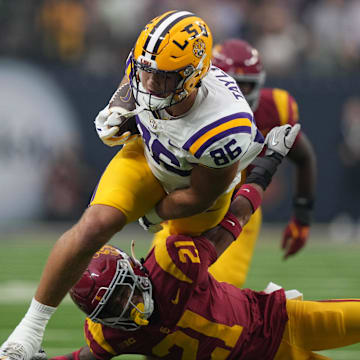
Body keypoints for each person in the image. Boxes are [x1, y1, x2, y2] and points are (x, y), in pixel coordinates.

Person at [0, 11, 267, 360]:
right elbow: (135, 81)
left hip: (195, 193)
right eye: (147, 73)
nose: (151, 85)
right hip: (147, 156)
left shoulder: (224, 126)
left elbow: (199, 195)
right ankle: (29, 331)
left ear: (193, 77)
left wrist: (152, 216)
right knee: (94, 226)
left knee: (183, 280)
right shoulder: (151, 67)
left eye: (164, 80)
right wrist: (120, 109)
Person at [34, 135, 360, 360]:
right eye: (111, 307)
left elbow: (232, 223)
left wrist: (267, 165)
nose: (126, 305)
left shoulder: (172, 264)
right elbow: (87, 356)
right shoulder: (110, 334)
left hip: (278, 320)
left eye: (122, 292)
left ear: (132, 271)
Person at [152, 38, 317, 287]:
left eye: (245, 85)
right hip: (191, 201)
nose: (237, 91)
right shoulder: (185, 105)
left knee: (219, 286)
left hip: (241, 204)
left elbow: (304, 156)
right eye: (231, 82)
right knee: (162, 280)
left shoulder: (275, 109)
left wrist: (302, 218)